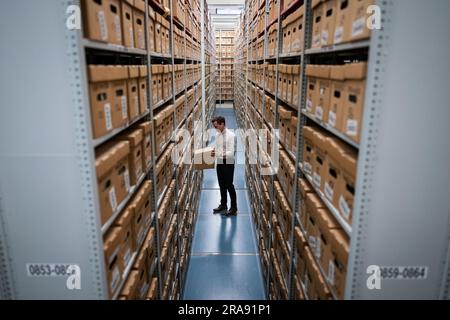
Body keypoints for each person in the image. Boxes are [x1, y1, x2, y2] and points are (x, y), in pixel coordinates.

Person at [211, 116, 237, 216]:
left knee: (229, 185)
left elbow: (231, 153)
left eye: (216, 126)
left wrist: (218, 154)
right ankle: (223, 205)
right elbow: (217, 148)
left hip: (229, 163)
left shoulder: (231, 136)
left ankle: (234, 208)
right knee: (221, 184)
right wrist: (214, 150)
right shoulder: (217, 135)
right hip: (220, 163)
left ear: (222, 124)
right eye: (214, 127)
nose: (215, 129)